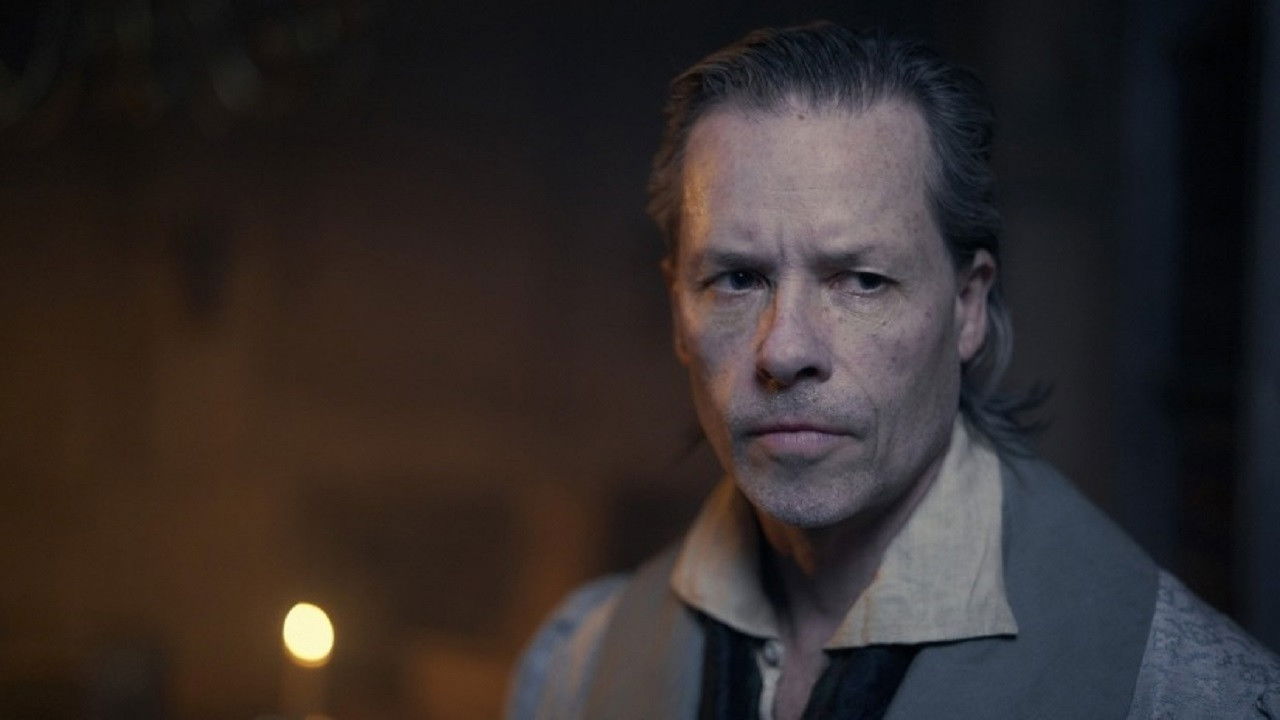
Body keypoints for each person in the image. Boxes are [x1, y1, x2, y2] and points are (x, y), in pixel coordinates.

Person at [506, 21, 1280, 720]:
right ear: (679, 309)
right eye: (737, 279)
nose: (784, 350)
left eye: (863, 280)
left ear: (968, 307)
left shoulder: (1179, 692)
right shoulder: (578, 669)